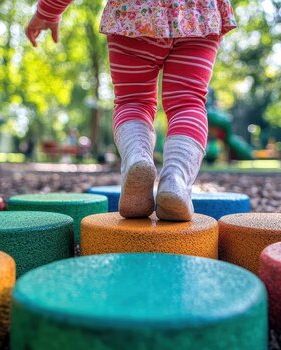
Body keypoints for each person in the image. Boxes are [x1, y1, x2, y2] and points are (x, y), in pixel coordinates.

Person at [26, 0, 236, 221]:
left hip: (133, 13)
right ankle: (176, 178)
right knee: (188, 103)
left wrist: (47, 10)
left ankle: (137, 158)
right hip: (198, 14)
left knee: (133, 102)